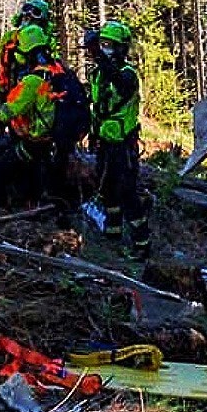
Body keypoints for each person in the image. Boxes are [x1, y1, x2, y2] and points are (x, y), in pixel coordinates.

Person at [0, 23, 69, 205]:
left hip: (35, 144)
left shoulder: (32, 82)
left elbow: (4, 113)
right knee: (31, 178)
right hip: (51, 142)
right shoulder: (56, 72)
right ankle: (31, 202)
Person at [84, 20, 149, 255]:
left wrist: (98, 55)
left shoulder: (128, 74)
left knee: (127, 192)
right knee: (107, 189)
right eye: (102, 44)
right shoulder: (96, 74)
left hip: (124, 144)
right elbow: (96, 106)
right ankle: (112, 234)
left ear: (122, 48)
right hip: (104, 140)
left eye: (109, 45)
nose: (105, 49)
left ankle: (142, 244)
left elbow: (121, 86)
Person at [0, 0, 54, 91]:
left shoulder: (46, 42)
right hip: (7, 88)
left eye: (35, 13)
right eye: (26, 13)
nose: (28, 16)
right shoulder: (9, 38)